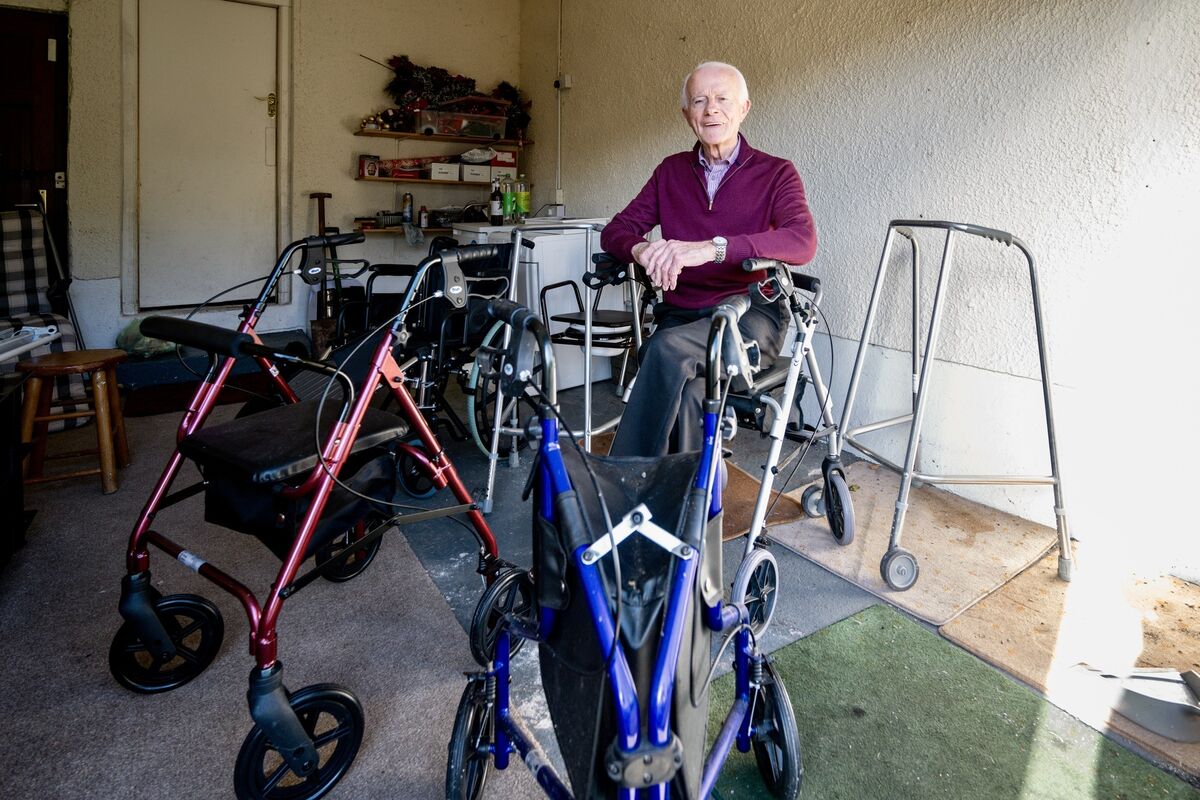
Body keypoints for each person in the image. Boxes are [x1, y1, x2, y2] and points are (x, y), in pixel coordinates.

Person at [600, 61, 817, 457]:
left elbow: (802, 241)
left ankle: (624, 483)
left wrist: (711, 248)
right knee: (689, 395)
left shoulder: (776, 174)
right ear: (687, 114)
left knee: (664, 350)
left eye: (722, 99)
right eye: (699, 101)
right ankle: (694, 507)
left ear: (744, 108)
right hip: (682, 315)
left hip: (749, 318)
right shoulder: (671, 172)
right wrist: (643, 248)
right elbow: (615, 231)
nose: (710, 109)